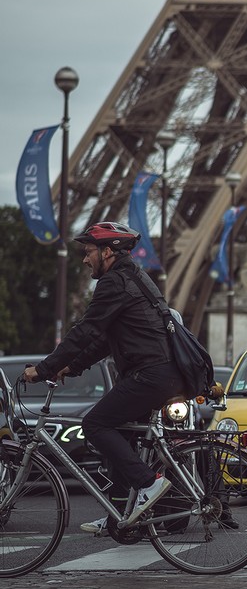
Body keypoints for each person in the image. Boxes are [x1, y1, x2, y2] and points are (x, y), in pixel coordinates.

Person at [21, 222, 176, 534]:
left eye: (88, 251)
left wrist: (46, 368)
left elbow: (87, 329)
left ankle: (149, 482)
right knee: (122, 433)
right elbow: (105, 339)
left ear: (107, 252)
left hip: (149, 374)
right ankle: (120, 518)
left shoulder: (115, 282)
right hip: (160, 372)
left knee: (94, 424)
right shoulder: (131, 277)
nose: (84, 258)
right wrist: (72, 366)